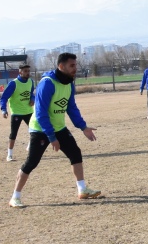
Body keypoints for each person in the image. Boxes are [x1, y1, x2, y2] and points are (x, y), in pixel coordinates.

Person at [8, 53, 101, 207]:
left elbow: (71, 107)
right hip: (40, 129)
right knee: (32, 162)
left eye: (75, 65)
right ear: (61, 66)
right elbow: (40, 112)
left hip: (59, 127)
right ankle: (15, 197)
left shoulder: (69, 83)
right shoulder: (47, 83)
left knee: (75, 153)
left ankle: (82, 190)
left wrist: (83, 126)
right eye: (72, 66)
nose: (75, 69)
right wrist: (51, 136)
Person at [0, 64, 34, 161]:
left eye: (28, 71)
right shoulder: (14, 83)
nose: (27, 73)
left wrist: (32, 98)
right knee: (13, 134)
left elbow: (31, 93)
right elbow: (4, 98)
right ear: (20, 72)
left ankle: (29, 147)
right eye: (25, 71)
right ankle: (9, 155)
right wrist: (3, 109)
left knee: (36, 130)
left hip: (29, 111)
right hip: (17, 112)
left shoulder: (31, 81)